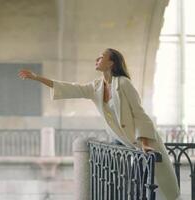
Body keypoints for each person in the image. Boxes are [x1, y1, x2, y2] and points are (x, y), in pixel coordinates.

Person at [18, 48, 180, 200]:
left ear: (111, 63)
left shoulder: (123, 83)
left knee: (162, 187)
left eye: (102, 56)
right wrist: (36, 77)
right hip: (126, 143)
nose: (97, 58)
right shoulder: (96, 86)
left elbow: (140, 115)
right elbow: (70, 88)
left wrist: (145, 143)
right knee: (140, 185)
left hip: (146, 141)